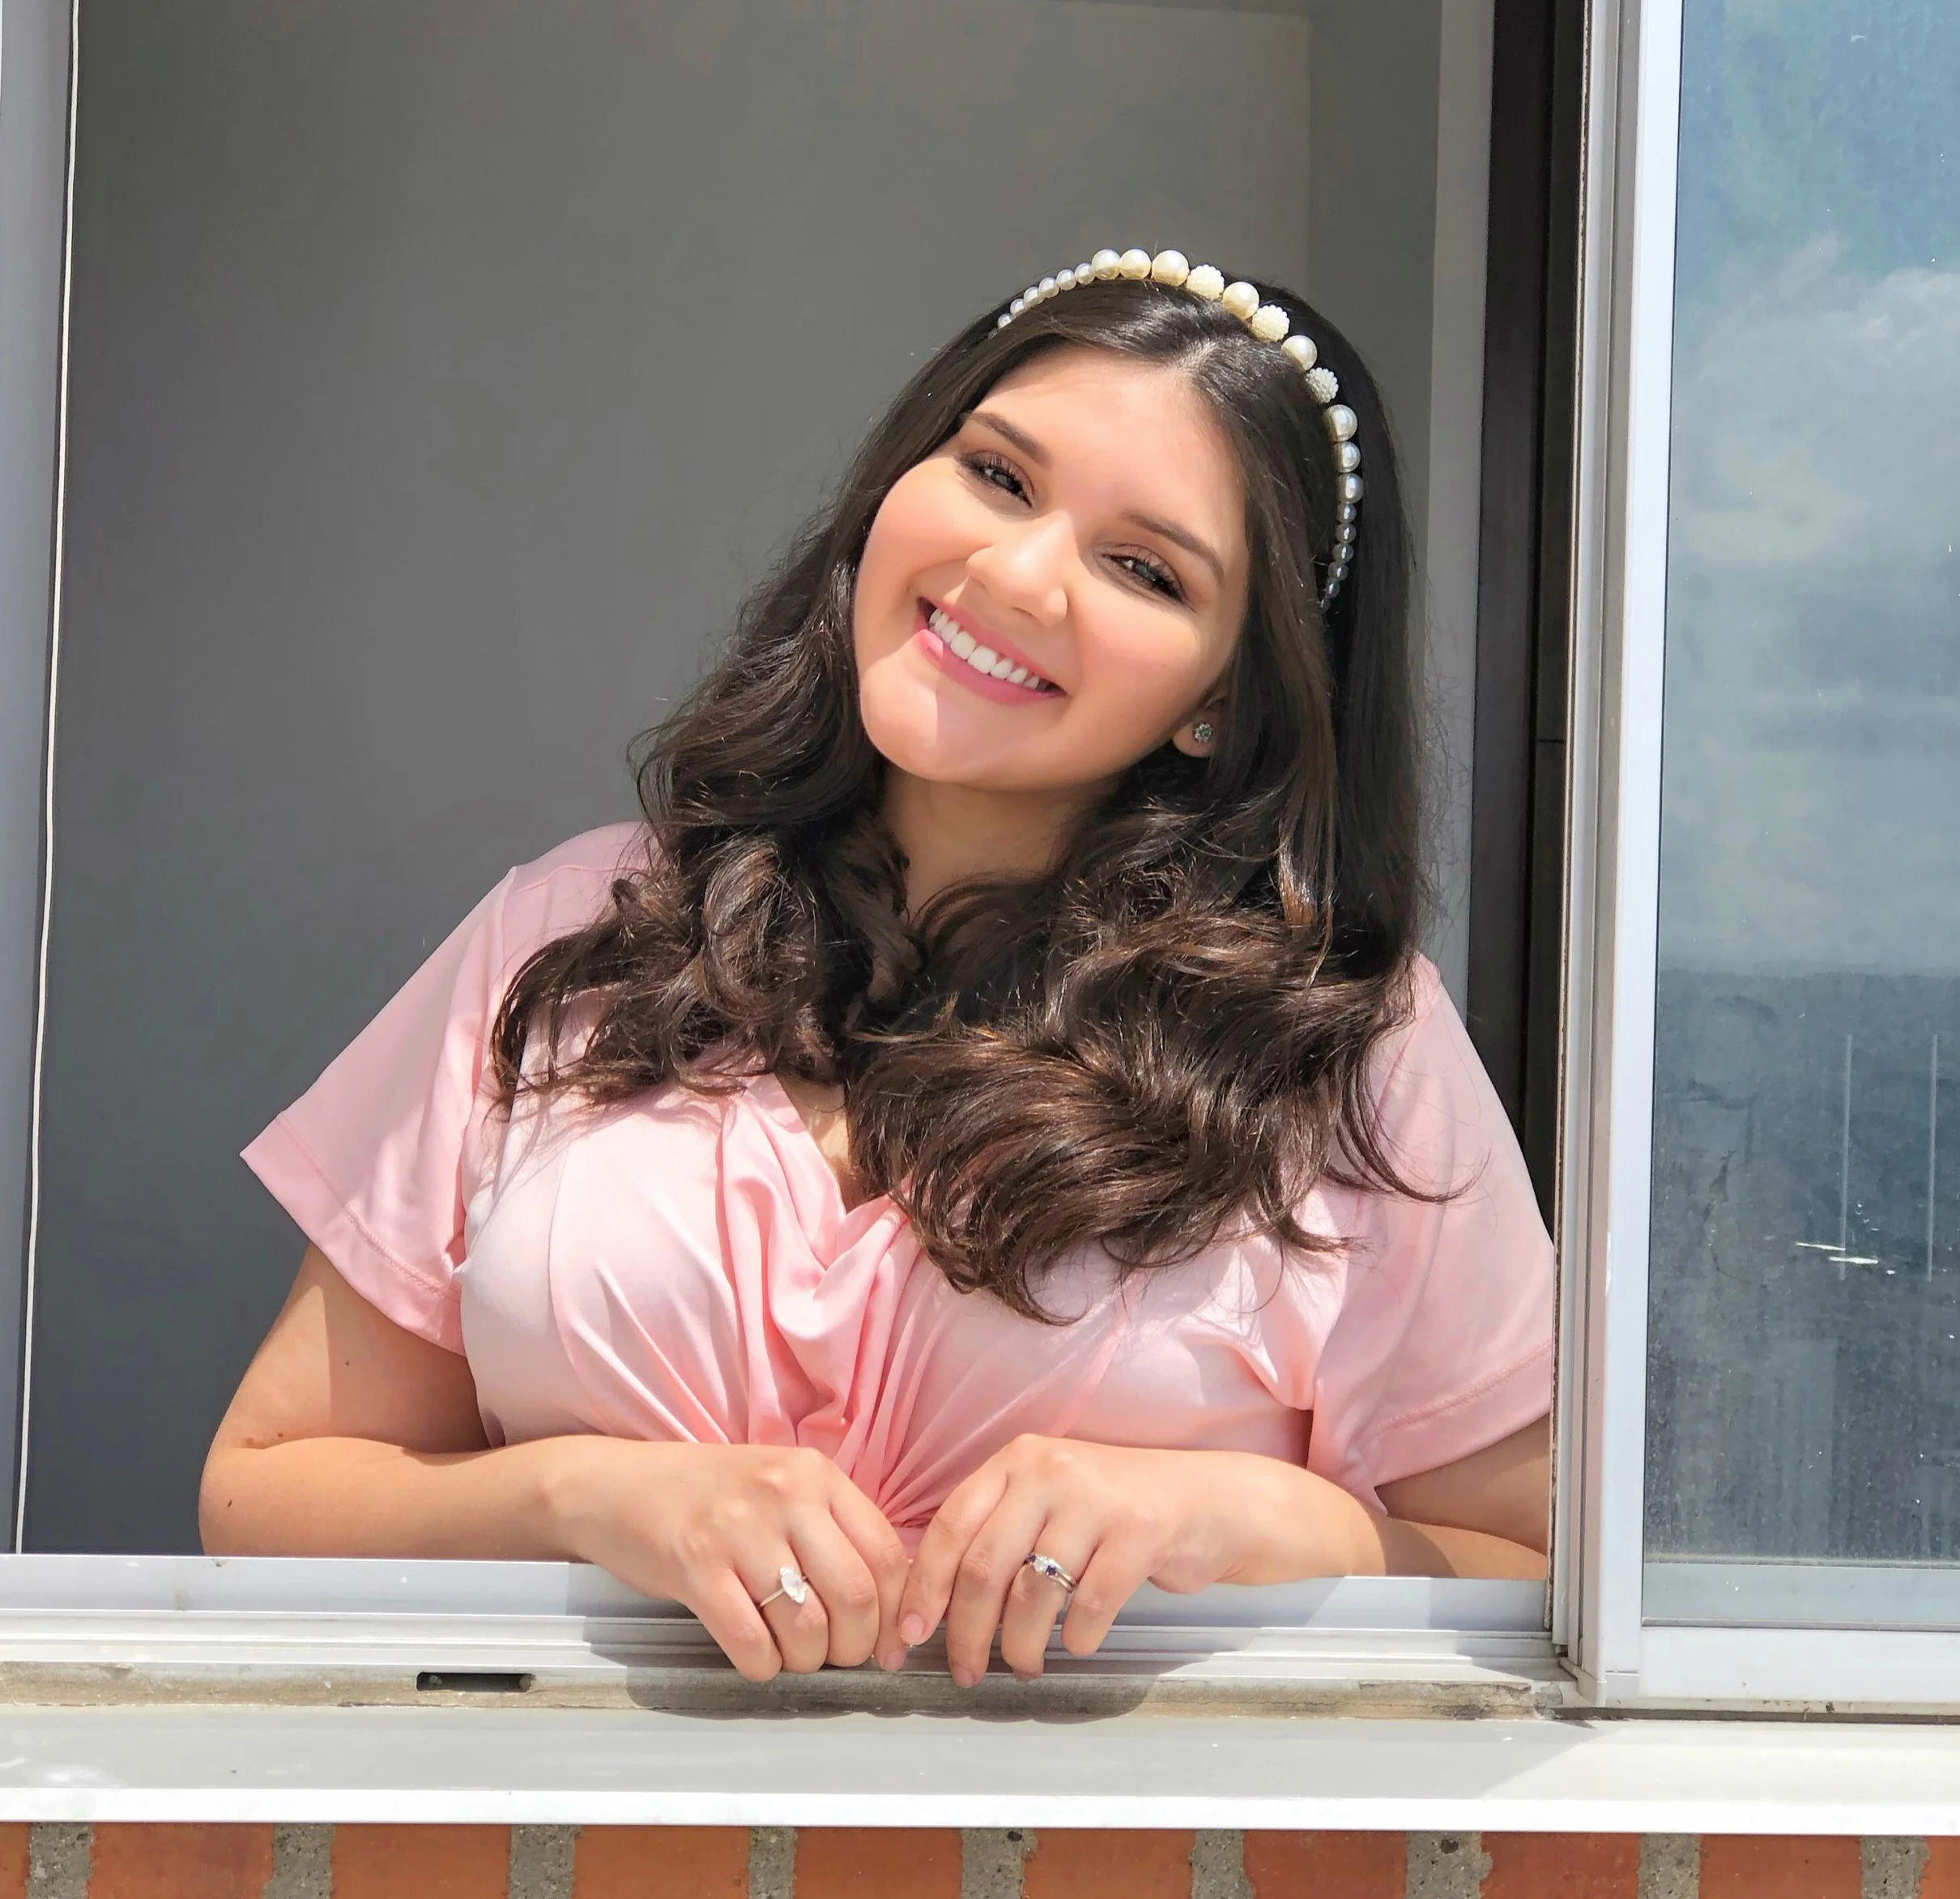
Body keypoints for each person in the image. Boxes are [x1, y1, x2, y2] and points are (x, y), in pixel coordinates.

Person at [201, 246, 1556, 1687]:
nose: (1014, 574)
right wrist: (581, 1499)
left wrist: (1257, 1520)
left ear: (1224, 694)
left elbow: (1535, 1578)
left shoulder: (1349, 1044)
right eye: (998, 475)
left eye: (1144, 568)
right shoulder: (573, 928)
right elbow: (263, 1495)